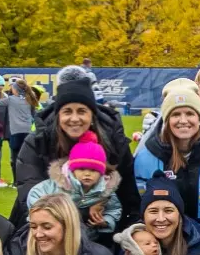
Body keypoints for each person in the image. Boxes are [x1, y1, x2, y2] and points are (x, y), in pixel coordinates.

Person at [10, 74, 138, 228]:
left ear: (92, 116)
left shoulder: (114, 142)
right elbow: (30, 197)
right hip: (44, 227)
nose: (75, 118)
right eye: (67, 111)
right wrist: (84, 212)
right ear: (58, 116)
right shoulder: (38, 142)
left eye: (82, 111)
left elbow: (128, 195)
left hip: (99, 229)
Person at [135, 79, 200, 227]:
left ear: (199, 118)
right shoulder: (144, 157)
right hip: (161, 243)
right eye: (176, 114)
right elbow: (134, 204)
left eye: (190, 113)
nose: (183, 120)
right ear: (166, 119)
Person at [25, 131, 120, 244]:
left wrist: (105, 221)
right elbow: (35, 199)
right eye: (81, 169)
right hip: (52, 238)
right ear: (72, 170)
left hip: (88, 241)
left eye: (93, 170)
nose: (87, 174)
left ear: (102, 173)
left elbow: (114, 209)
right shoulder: (52, 187)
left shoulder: (106, 191)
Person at [1, 75, 39, 179]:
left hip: (17, 130)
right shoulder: (9, 98)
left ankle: (21, 178)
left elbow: (33, 113)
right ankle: (17, 179)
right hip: (13, 130)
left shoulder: (18, 99)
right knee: (15, 156)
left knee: (21, 155)